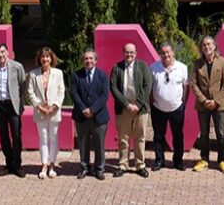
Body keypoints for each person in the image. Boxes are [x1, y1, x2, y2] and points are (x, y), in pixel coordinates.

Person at [109, 43, 152, 178]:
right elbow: (113, 88)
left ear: (136, 53)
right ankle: (123, 165)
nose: (129, 55)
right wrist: (127, 105)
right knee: (123, 138)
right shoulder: (117, 68)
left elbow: (147, 85)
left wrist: (138, 105)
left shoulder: (143, 66)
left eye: (132, 52)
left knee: (140, 138)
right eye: (127, 52)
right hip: (124, 109)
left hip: (141, 109)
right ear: (123, 52)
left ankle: (140, 165)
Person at [192, 36, 224, 174]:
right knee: (204, 134)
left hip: (219, 105)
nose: (206, 47)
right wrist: (204, 100)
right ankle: (204, 159)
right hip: (203, 105)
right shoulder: (197, 63)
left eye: (209, 44)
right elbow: (194, 84)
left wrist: (215, 101)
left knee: (220, 133)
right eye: (204, 45)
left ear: (214, 46)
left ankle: (222, 160)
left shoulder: (223, 62)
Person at [0, 43, 27, 178]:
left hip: (13, 106)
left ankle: (17, 165)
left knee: (16, 136)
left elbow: (23, 86)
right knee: (3, 137)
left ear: (8, 52)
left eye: (3, 52)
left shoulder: (17, 67)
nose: (0, 55)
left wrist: (19, 102)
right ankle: (8, 164)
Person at [25, 47, 65, 179]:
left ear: (51, 58)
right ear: (39, 59)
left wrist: (54, 106)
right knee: (43, 138)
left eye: (48, 56)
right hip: (40, 111)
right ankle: (44, 165)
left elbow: (61, 91)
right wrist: (39, 107)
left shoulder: (58, 73)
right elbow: (30, 93)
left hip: (54, 111)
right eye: (43, 57)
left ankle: (52, 165)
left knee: (53, 138)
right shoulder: (33, 74)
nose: (45, 59)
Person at [70, 49, 110, 181]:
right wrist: (84, 109)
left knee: (99, 145)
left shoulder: (103, 76)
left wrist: (92, 110)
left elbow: (104, 95)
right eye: (86, 59)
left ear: (95, 60)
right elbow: (74, 93)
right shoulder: (76, 75)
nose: (88, 61)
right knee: (83, 144)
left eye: (91, 58)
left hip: (99, 117)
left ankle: (99, 169)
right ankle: (84, 168)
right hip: (81, 117)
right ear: (83, 60)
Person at [149, 43, 188, 171]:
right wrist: (152, 103)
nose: (166, 55)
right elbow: (150, 88)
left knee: (178, 136)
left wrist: (183, 104)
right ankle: (159, 161)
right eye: (163, 53)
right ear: (160, 54)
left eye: (168, 52)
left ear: (173, 53)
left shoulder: (182, 67)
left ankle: (178, 161)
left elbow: (186, 87)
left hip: (176, 108)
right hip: (158, 108)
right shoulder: (153, 67)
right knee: (158, 136)